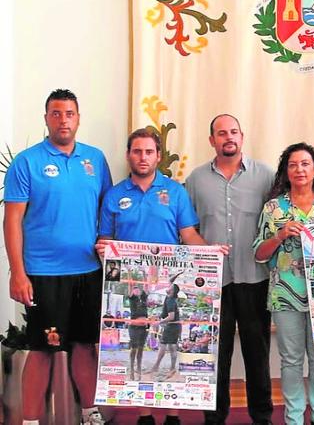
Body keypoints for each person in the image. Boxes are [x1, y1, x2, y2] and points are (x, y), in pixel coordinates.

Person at [3, 89, 112, 425]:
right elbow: (12, 221)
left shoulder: (95, 159)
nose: (63, 120)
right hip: (43, 274)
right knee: (42, 350)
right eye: (56, 113)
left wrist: (107, 245)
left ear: (78, 118)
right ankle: (32, 421)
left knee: (84, 347)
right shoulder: (27, 162)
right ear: (46, 118)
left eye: (69, 113)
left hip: (88, 272)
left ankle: (89, 414)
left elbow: (106, 212)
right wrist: (18, 273)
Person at [97, 128, 211, 425]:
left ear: (158, 156)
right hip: (134, 284)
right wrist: (103, 250)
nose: (143, 157)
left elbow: (188, 235)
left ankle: (172, 415)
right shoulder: (114, 194)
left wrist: (213, 253)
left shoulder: (175, 192)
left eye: (149, 152)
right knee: (136, 345)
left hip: (165, 281)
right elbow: (105, 239)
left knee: (165, 344)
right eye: (137, 151)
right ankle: (144, 415)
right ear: (128, 155)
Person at [185, 114, 274, 425]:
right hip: (211, 282)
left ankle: (262, 417)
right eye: (221, 133)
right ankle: (214, 417)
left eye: (233, 131)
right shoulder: (195, 179)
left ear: (242, 135)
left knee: (257, 353)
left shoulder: (265, 175)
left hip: (254, 277)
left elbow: (278, 219)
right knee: (214, 356)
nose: (228, 137)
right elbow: (188, 228)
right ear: (212, 140)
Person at [254, 142, 314, 425]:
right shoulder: (273, 208)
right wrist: (279, 236)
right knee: (291, 360)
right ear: (285, 172)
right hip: (285, 297)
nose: (299, 169)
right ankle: (293, 418)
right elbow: (258, 253)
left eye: (305, 164)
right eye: (293, 165)